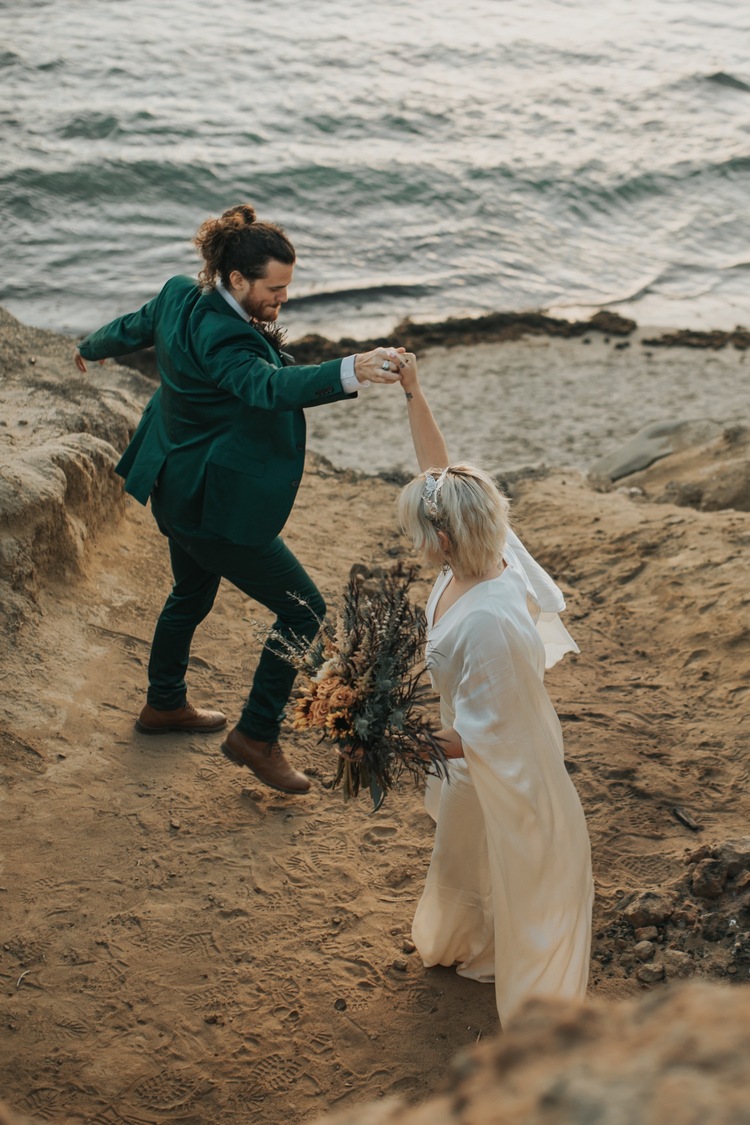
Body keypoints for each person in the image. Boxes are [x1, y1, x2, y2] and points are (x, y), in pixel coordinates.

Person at [74, 202, 405, 796]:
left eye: (287, 287)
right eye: (274, 289)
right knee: (303, 610)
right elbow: (268, 385)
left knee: (190, 592)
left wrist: (91, 346)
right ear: (236, 280)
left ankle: (164, 705)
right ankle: (256, 735)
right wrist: (350, 368)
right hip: (210, 505)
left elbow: (135, 324)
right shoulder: (226, 338)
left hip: (174, 484)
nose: (283, 299)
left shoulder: (180, 293)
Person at [396, 354, 593, 1027]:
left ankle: (529, 968)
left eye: (422, 535)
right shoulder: (491, 540)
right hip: (469, 738)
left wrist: (384, 731)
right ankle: (465, 937)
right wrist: (416, 394)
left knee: (512, 854)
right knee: (460, 845)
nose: (415, 543)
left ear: (444, 539)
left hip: (496, 751)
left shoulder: (486, 621)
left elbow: (488, 735)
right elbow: (439, 471)